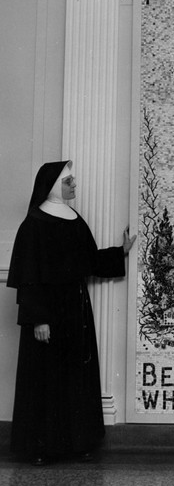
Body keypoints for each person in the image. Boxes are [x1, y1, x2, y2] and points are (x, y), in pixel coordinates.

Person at [7, 160, 135, 465]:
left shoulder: (74, 219)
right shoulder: (34, 224)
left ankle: (78, 443)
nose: (74, 185)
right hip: (48, 313)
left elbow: (87, 260)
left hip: (75, 312)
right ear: (54, 186)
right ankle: (39, 447)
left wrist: (121, 252)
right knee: (45, 378)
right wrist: (38, 318)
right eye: (69, 181)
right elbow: (29, 275)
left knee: (75, 376)